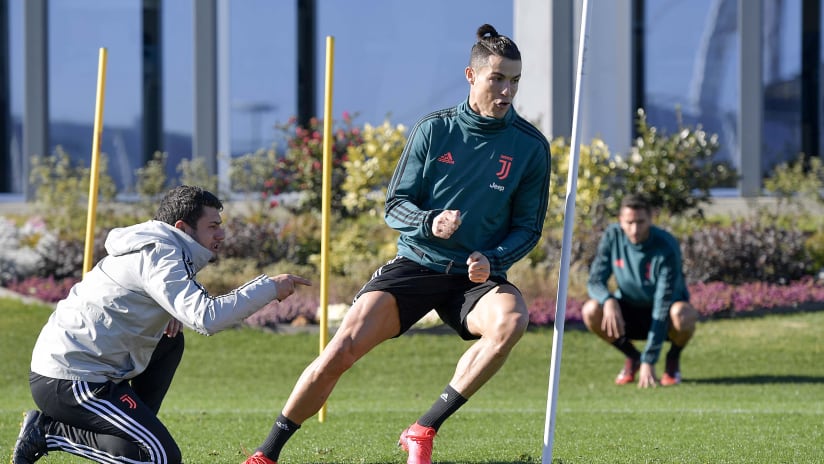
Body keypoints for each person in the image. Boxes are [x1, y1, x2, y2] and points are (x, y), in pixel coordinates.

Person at [242, 24, 550, 464]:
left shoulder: (530, 146)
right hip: (419, 263)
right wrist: (430, 222)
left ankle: (423, 430)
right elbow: (394, 206)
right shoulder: (433, 130)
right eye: (497, 78)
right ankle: (266, 454)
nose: (506, 90)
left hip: (475, 277)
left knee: (511, 322)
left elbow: (528, 228)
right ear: (471, 75)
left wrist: (495, 257)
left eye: (514, 81)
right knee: (341, 351)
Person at [11, 185, 311, 464]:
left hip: (84, 372)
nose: (221, 234)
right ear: (181, 227)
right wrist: (268, 289)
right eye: (213, 226)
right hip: (70, 380)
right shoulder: (161, 253)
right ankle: (50, 431)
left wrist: (169, 310)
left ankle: (129, 429)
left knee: (169, 342)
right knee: (160, 457)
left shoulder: (162, 248)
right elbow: (207, 318)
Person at [581, 193, 698, 389]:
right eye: (629, 223)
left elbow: (663, 303)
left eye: (641, 222)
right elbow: (594, 281)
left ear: (651, 218)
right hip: (629, 312)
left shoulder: (666, 245)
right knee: (591, 310)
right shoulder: (612, 236)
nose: (634, 230)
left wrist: (650, 359)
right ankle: (632, 357)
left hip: (665, 315)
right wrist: (608, 300)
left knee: (683, 314)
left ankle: (672, 359)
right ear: (620, 220)